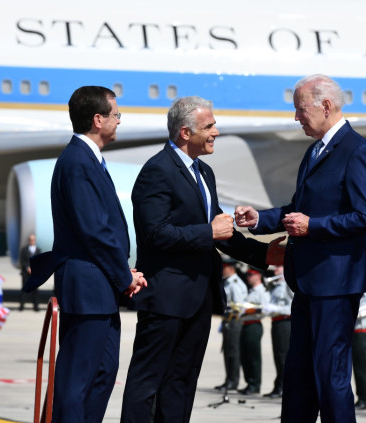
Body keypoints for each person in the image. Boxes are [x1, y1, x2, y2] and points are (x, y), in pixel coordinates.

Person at [120, 96, 284, 423]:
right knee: (147, 382)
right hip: (166, 298)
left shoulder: (204, 172)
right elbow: (155, 234)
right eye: (209, 126)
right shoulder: (157, 171)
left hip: (198, 297)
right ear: (185, 132)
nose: (216, 132)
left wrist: (263, 253)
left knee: (181, 383)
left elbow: (221, 232)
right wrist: (207, 232)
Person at [235, 74, 366, 422]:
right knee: (299, 375)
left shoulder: (356, 150)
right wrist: (259, 219)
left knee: (330, 375)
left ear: (326, 106)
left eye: (301, 109)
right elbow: (298, 210)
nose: (296, 117)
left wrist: (312, 227)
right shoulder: (316, 151)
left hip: (335, 283)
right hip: (306, 282)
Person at [24, 86, 147, 423]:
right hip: (88, 288)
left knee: (103, 372)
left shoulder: (89, 159)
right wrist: (124, 276)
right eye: (116, 114)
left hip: (100, 289)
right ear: (98, 120)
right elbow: (94, 230)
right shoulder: (78, 161)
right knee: (75, 381)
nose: (119, 121)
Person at [214, 257, 247, 392]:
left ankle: (233, 381)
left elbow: (238, 307)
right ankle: (229, 379)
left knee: (232, 352)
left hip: (234, 320)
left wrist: (224, 310)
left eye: (224, 267)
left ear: (230, 268)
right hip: (228, 320)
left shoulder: (234, 284)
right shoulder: (228, 282)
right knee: (227, 351)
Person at [262, 264, 293, 399]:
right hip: (276, 322)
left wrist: (276, 309)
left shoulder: (288, 284)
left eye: (279, 267)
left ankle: (283, 387)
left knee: (283, 356)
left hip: (285, 322)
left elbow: (293, 306)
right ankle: (279, 385)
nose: (275, 270)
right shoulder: (276, 284)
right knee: (277, 356)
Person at [238, 266, 270, 395]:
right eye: (248, 275)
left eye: (250, 275)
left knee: (253, 356)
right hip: (245, 324)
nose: (248, 277)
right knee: (245, 356)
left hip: (254, 325)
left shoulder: (262, 291)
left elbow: (265, 309)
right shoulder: (250, 291)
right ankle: (249, 382)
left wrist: (249, 310)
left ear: (258, 276)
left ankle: (255, 384)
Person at [18, 233, 41, 312]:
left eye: (33, 240)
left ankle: (36, 306)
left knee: (35, 290)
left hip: (34, 273)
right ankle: (22, 305)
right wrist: (27, 267)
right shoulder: (24, 250)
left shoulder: (38, 250)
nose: (32, 241)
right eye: (30, 240)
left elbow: (39, 261)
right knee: (24, 289)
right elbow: (22, 260)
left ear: (35, 240)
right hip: (26, 273)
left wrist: (34, 269)